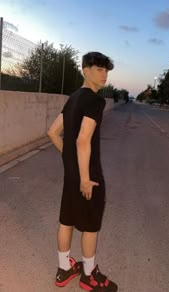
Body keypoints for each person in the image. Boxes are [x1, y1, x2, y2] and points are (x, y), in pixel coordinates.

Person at [47, 52, 118, 291]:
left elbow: (53, 133)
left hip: (71, 173)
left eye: (106, 69)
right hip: (89, 175)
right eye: (99, 69)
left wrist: (70, 162)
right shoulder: (95, 101)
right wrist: (86, 178)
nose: (104, 74)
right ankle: (89, 276)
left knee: (66, 220)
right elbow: (82, 140)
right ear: (85, 70)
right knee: (90, 226)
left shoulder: (74, 97)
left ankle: (63, 269)